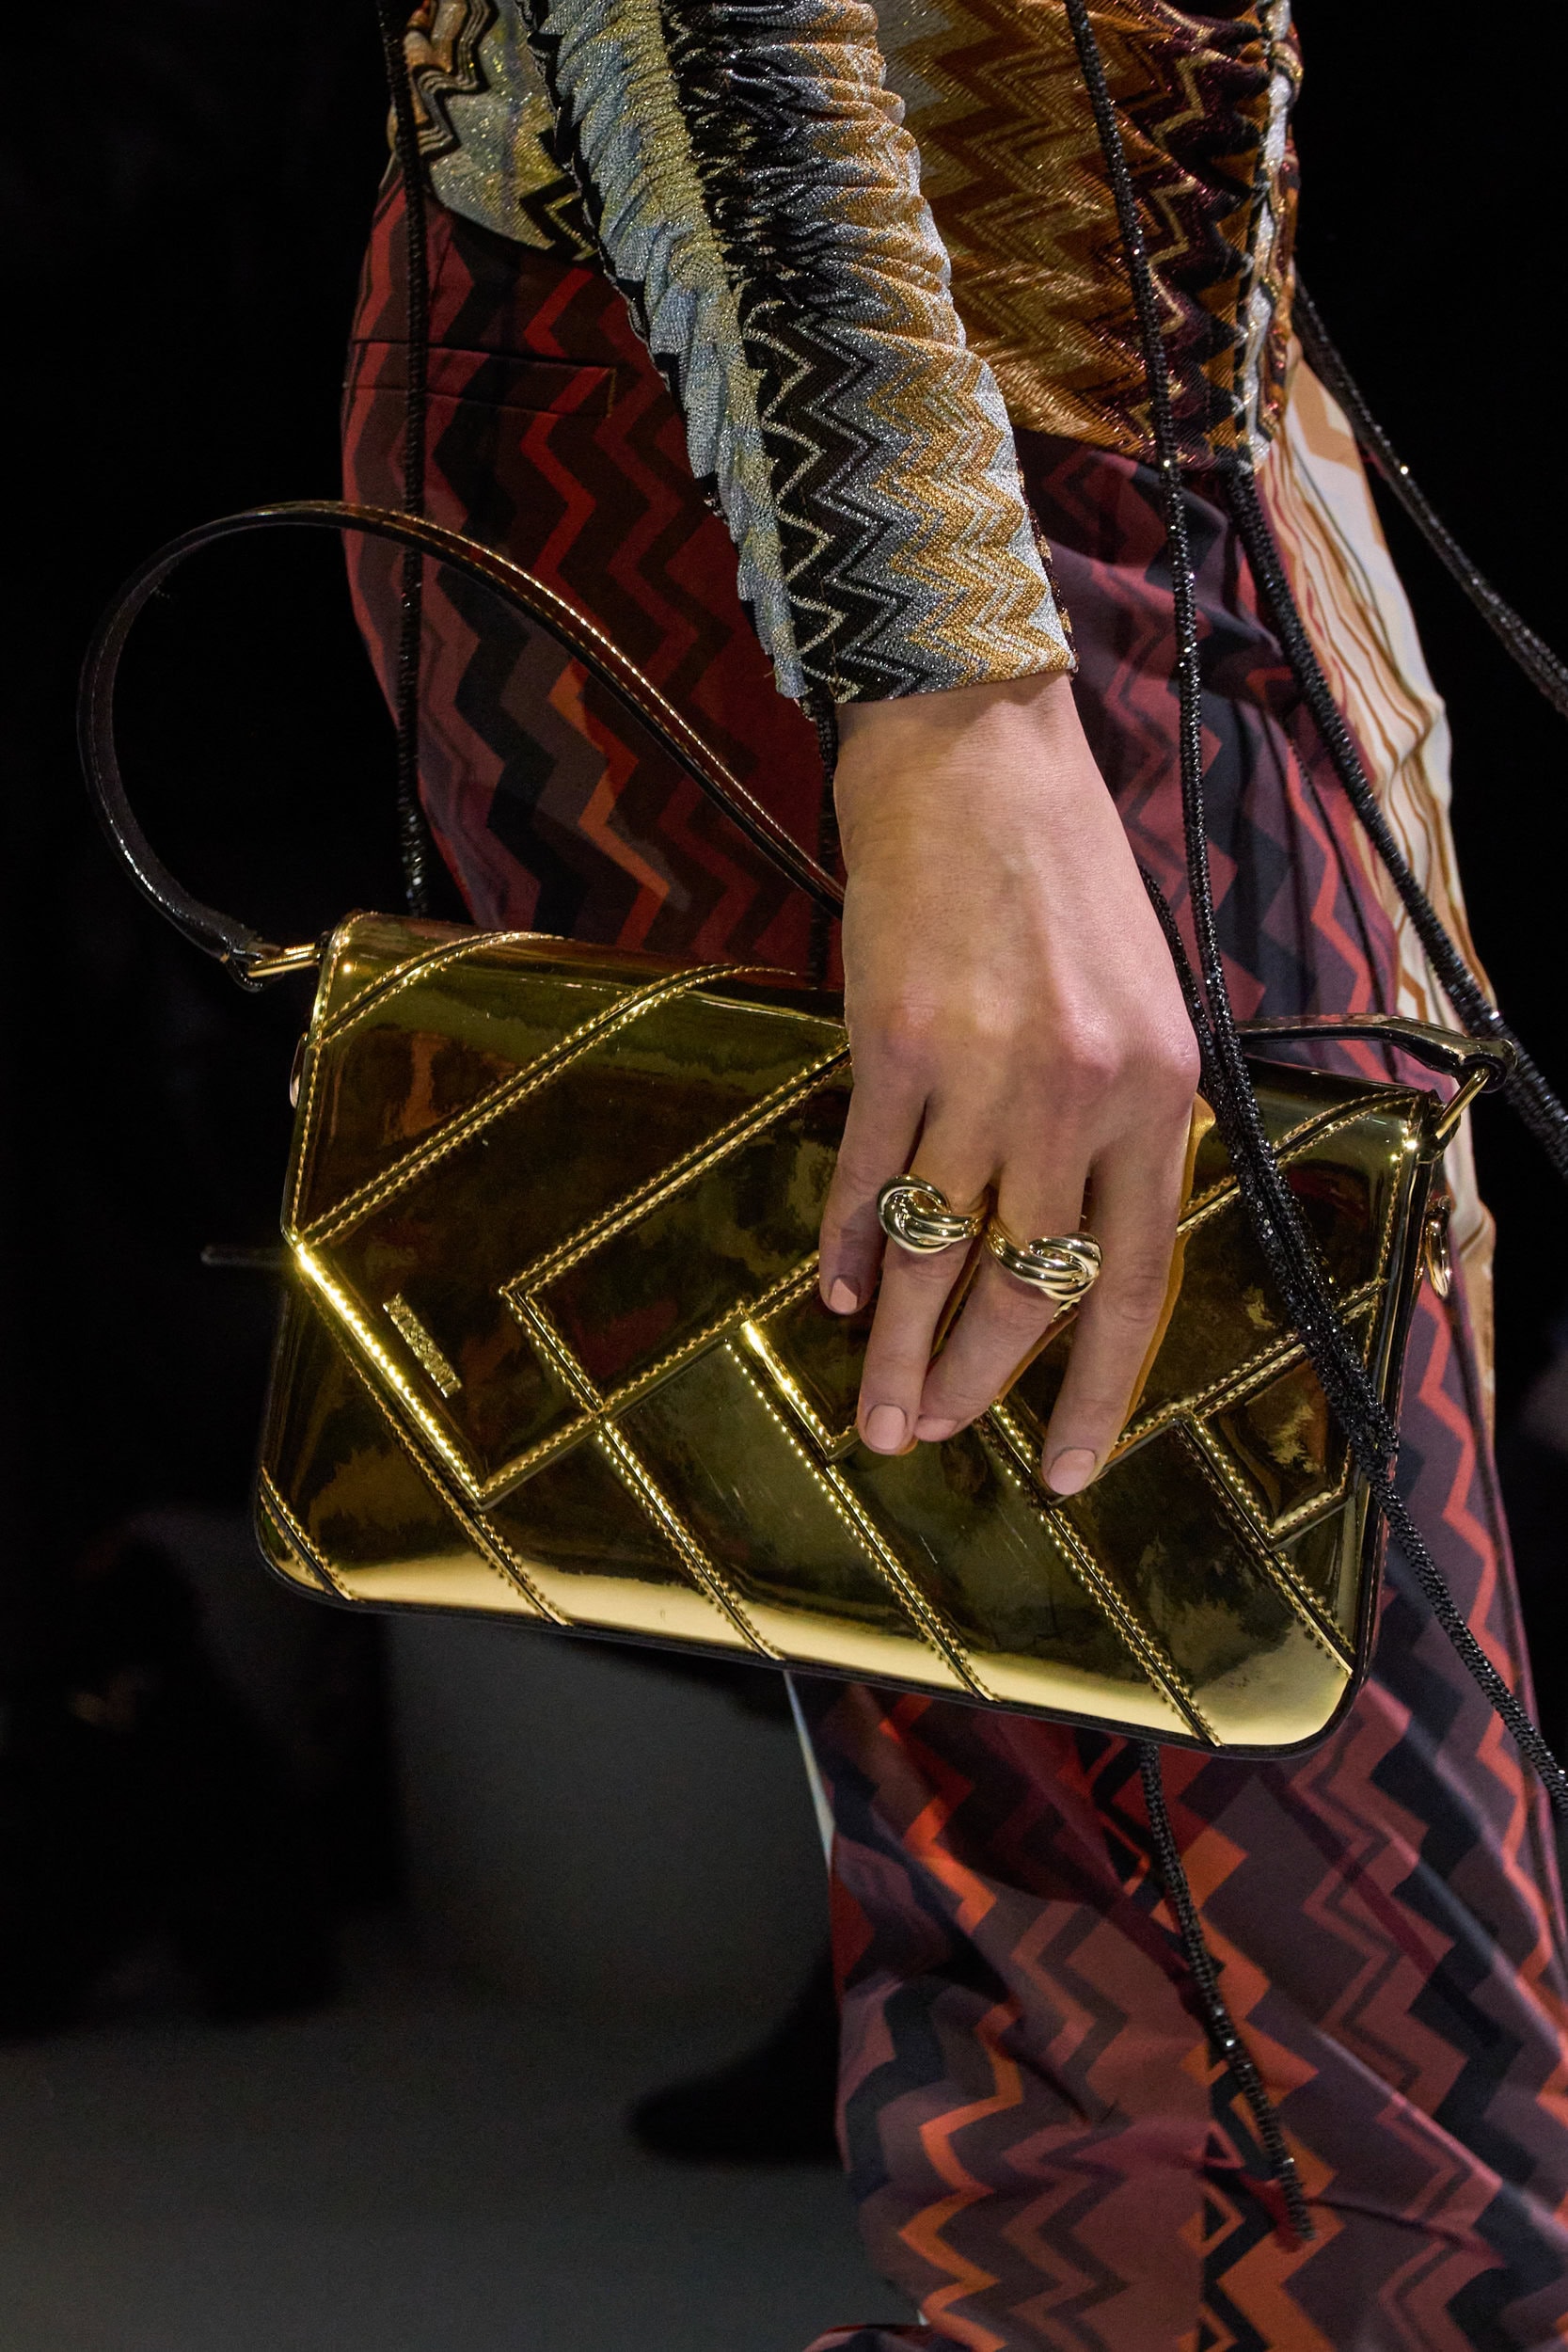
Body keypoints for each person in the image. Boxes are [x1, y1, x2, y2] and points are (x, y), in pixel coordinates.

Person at [342, 2, 1568, 2340]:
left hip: (1083, 432)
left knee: (1211, 2040)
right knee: (1315, 2111)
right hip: (899, 485)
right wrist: (943, 695)